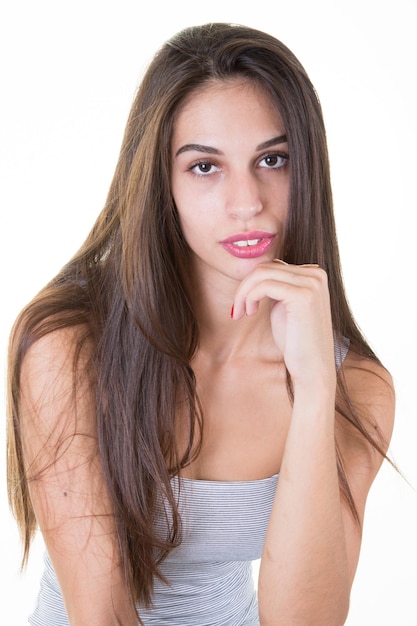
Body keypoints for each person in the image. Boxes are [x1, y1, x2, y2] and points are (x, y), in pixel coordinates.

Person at [7, 22, 395, 626]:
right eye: (205, 167)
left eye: (273, 159)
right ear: (162, 185)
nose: (248, 202)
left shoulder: (356, 388)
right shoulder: (68, 344)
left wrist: (315, 388)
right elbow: (100, 615)